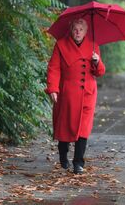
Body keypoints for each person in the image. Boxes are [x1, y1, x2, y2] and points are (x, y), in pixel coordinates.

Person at [45, 18, 105, 174]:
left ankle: (78, 162)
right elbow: (54, 69)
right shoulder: (61, 45)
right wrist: (53, 88)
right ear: (71, 30)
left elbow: (99, 72)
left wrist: (97, 62)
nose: (78, 32)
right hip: (67, 93)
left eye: (81, 30)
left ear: (86, 32)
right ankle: (63, 156)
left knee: (83, 129)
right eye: (75, 29)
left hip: (88, 93)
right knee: (65, 128)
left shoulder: (93, 47)